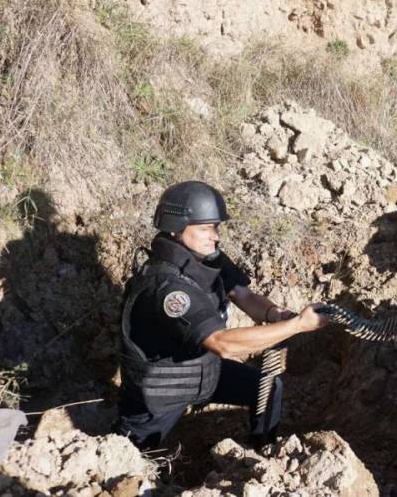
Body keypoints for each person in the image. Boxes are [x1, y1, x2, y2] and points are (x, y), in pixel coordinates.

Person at [114, 181, 328, 450]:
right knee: (130, 461)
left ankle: (263, 459)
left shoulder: (208, 259)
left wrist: (275, 314)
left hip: (202, 371)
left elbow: (243, 295)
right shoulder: (167, 287)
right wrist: (297, 325)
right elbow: (222, 343)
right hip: (161, 390)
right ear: (175, 228)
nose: (214, 236)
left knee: (267, 388)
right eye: (205, 228)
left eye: (215, 227)